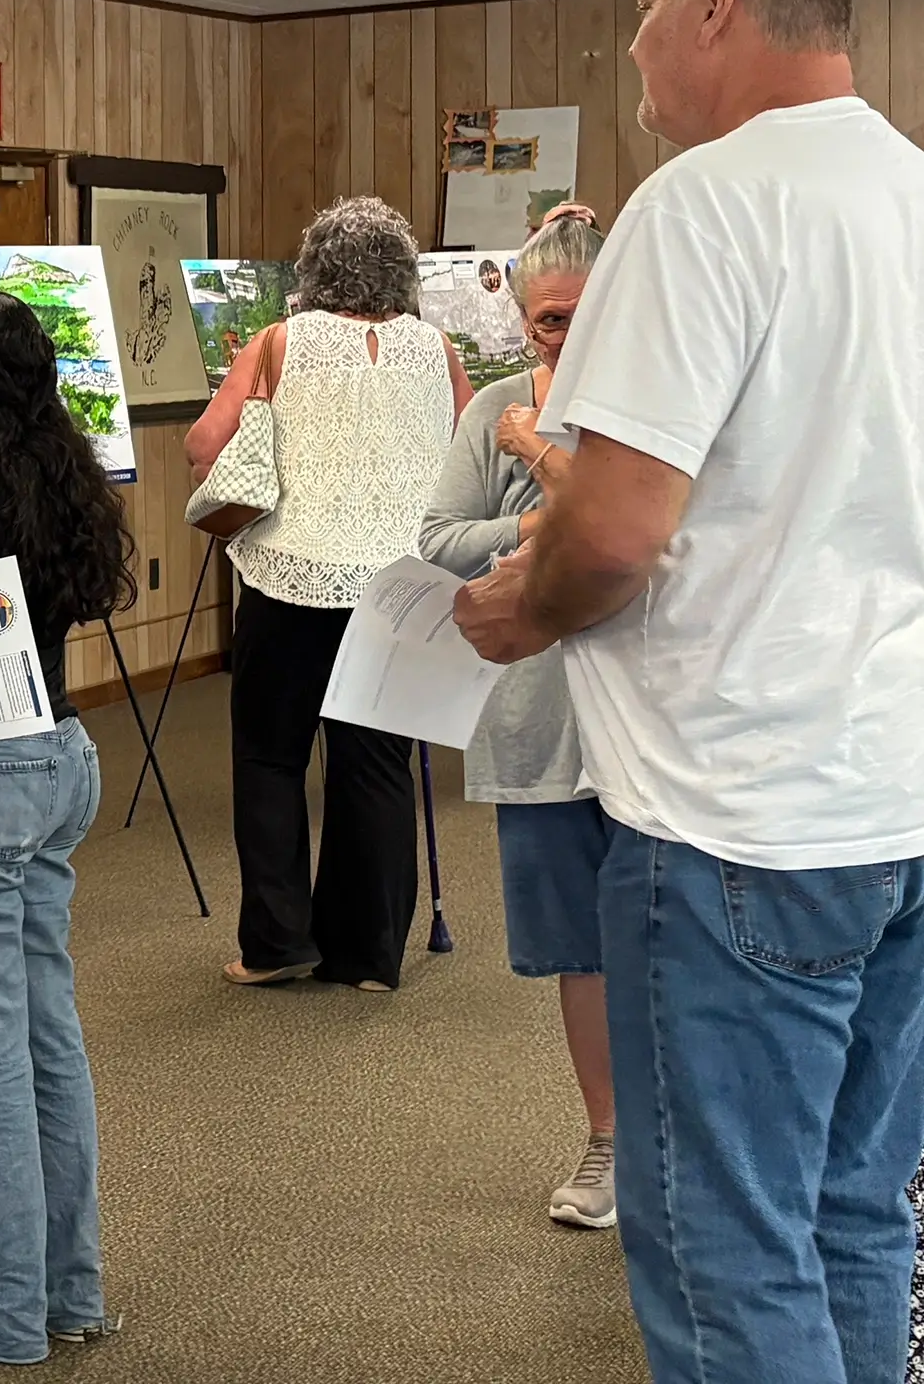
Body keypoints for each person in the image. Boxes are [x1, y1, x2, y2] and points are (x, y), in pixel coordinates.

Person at [456, 0, 924, 1384]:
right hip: (901, 799)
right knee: (853, 1212)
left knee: (723, 1251)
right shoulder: (911, 196)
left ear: (717, 3)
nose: (636, 53)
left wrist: (514, 610)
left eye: (645, 11)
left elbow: (614, 528)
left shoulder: (707, 202)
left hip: (741, 817)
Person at [0, 288, 138, 1364]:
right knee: (51, 1038)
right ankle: (69, 1286)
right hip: (59, 757)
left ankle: (0, 1314)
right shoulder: (63, 472)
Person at [189, 195, 470, 992]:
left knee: (271, 757)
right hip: (398, 583)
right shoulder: (437, 348)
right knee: (375, 761)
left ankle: (278, 943)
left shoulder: (279, 343)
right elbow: (460, 454)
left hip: (289, 576)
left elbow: (205, 445)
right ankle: (369, 953)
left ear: (313, 270)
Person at [418, 209, 614, 1228]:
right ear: (520, 316)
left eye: (586, 317)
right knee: (578, 948)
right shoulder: (491, 404)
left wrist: (541, 455)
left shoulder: (650, 399)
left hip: (650, 726)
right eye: (547, 322)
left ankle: (685, 1146)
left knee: (679, 940)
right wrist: (531, 520)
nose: (566, 340)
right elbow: (440, 539)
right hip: (538, 721)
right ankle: (608, 1142)